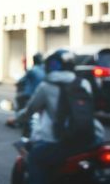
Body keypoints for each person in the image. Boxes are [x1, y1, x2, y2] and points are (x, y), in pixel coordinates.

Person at [11, 49, 104, 184]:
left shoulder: (46, 85)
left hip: (63, 142)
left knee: (35, 157)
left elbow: (29, 111)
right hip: (91, 139)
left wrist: (16, 118)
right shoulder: (84, 83)